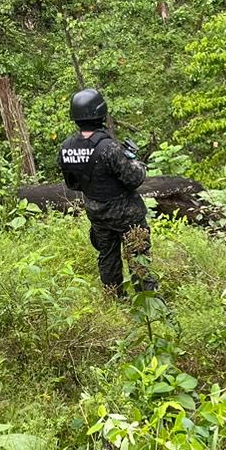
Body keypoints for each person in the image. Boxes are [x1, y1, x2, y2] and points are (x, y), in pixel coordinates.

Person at [58, 87, 157, 297]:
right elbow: (134, 179)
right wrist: (136, 163)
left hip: (96, 212)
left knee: (107, 256)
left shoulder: (67, 147)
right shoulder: (109, 147)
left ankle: (114, 299)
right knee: (138, 255)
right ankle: (147, 300)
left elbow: (73, 184)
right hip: (126, 213)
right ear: (101, 113)